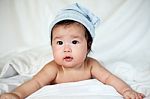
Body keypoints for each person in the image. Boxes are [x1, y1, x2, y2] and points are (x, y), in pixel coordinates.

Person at [0, 3, 145, 99]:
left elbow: (109, 78)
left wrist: (126, 91)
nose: (66, 48)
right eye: (59, 42)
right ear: (52, 46)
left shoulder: (91, 65)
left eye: (74, 42)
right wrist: (17, 95)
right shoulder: (54, 68)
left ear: (88, 46)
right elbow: (36, 83)